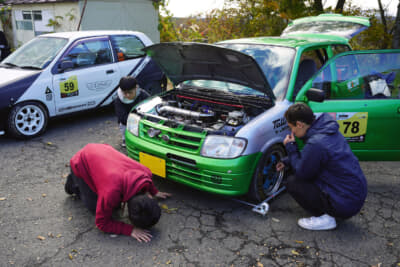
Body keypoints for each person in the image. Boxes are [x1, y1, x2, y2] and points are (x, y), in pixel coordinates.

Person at [276, 103, 367, 231]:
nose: (292, 132)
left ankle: (325, 218)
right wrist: (287, 161)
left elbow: (302, 173)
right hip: (354, 195)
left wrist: (291, 147)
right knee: (300, 172)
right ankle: (330, 209)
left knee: (293, 182)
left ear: (300, 124)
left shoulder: (316, 143)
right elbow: (311, 158)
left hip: (345, 203)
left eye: (292, 127)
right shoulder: (326, 129)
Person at [65, 143, 171, 242]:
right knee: (95, 207)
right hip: (81, 161)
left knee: (109, 205)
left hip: (101, 152)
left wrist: (155, 192)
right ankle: (73, 183)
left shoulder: (146, 173)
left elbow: (148, 183)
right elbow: (101, 223)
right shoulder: (112, 192)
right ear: (128, 213)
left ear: (149, 197)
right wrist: (130, 230)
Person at [114, 76, 150, 147]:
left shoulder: (143, 94)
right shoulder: (119, 100)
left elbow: (151, 104)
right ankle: (125, 138)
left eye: (130, 92)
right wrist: (137, 121)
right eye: (124, 93)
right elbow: (122, 118)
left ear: (136, 88)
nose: (127, 95)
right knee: (124, 127)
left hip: (142, 118)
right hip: (127, 122)